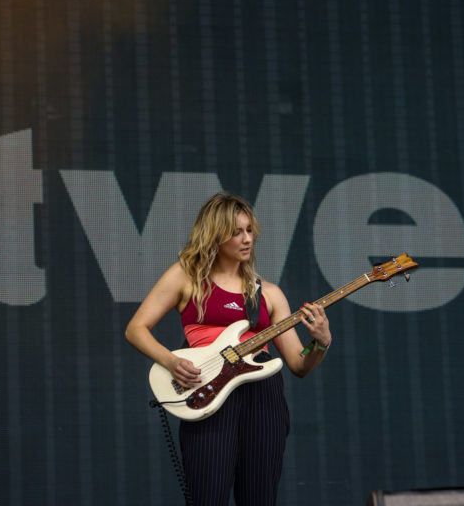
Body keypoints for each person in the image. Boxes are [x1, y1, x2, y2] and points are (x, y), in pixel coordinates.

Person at [125, 192, 332, 505]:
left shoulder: (270, 294)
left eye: (249, 230)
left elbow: (299, 364)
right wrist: (171, 362)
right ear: (215, 235)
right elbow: (136, 329)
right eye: (236, 232)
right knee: (207, 496)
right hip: (208, 391)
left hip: (263, 398)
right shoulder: (185, 277)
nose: (247, 239)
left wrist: (320, 342)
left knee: (260, 498)